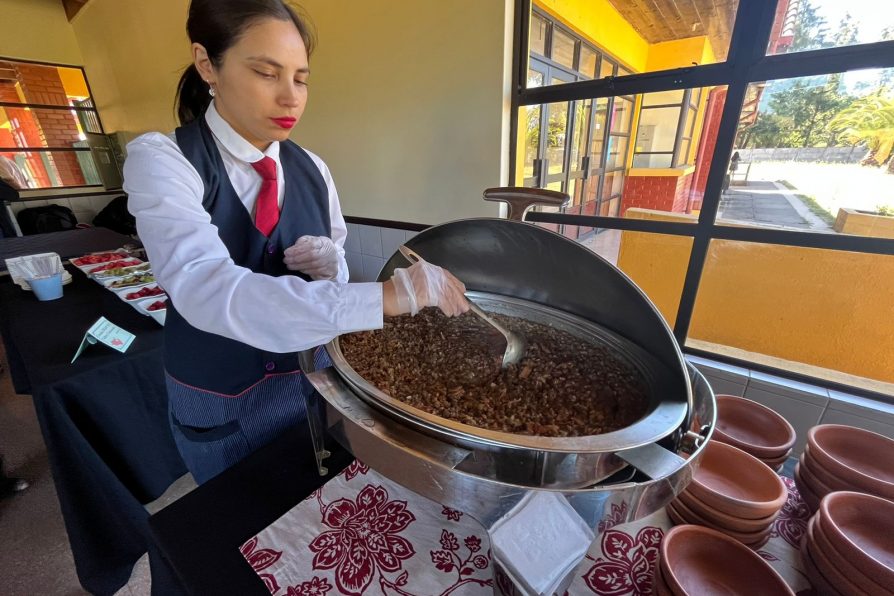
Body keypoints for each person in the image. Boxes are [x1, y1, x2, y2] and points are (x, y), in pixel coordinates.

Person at [123, 0, 469, 484]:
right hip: (221, 395)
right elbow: (207, 288)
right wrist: (390, 295)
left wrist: (332, 265)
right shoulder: (163, 160)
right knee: (233, 522)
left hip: (312, 381)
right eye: (267, 73)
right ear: (207, 64)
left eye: (301, 79)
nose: (291, 99)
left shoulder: (312, 168)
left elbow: (340, 271)